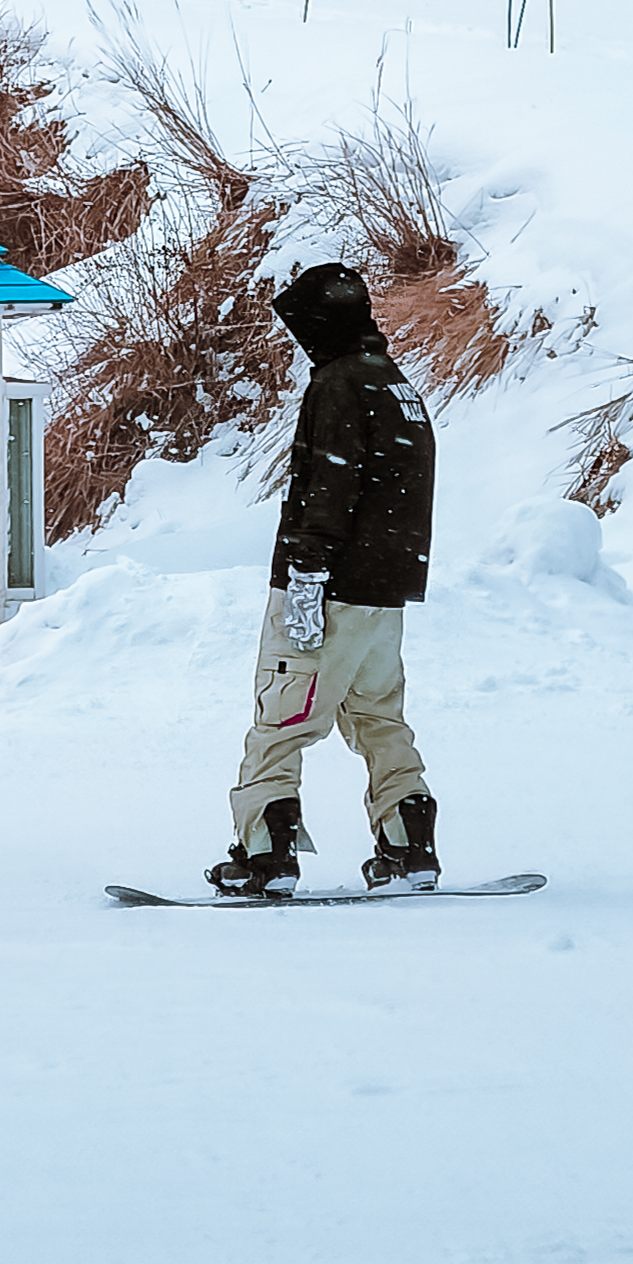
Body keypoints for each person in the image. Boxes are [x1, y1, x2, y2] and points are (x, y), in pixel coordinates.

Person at [210, 260, 440, 894]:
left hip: (328, 587)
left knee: (283, 721)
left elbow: (329, 486)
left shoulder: (337, 386)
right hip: (383, 593)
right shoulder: (397, 386)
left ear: (321, 323)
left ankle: (266, 854)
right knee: (379, 718)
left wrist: (307, 577)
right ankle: (408, 844)